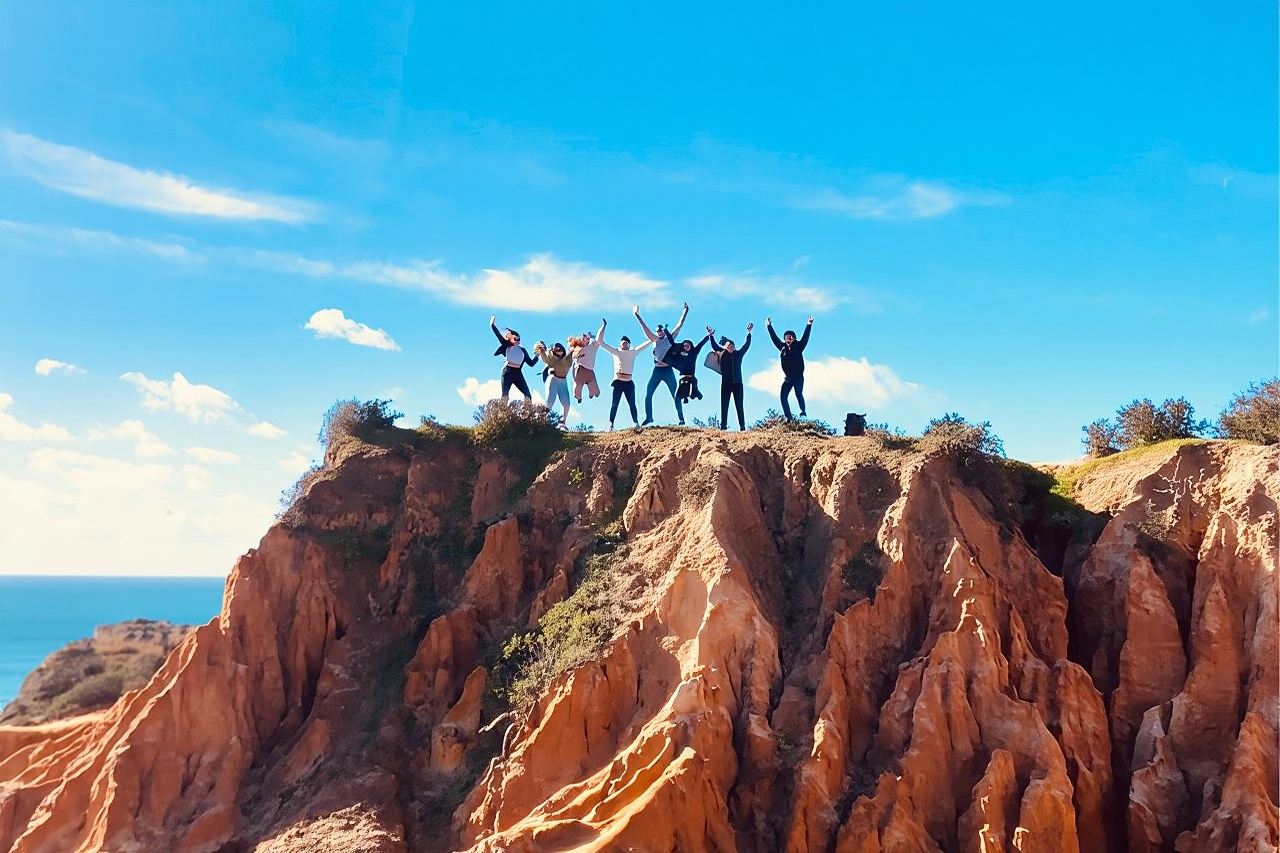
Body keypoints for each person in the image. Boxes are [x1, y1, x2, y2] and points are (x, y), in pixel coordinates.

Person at [634, 302, 690, 426]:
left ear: (664, 332)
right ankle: (649, 418)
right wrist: (637, 315)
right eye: (658, 331)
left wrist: (685, 311)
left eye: (661, 330)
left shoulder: (670, 337)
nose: (660, 332)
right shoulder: (653, 339)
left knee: (675, 394)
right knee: (648, 393)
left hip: (668, 370)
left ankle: (681, 419)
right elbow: (645, 328)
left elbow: (680, 324)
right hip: (657, 370)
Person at [599, 329, 652, 430]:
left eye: (626, 343)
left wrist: (653, 338)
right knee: (615, 404)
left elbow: (647, 343)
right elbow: (601, 342)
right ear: (620, 345)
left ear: (629, 345)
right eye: (623, 343)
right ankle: (611, 424)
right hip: (618, 382)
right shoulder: (615, 352)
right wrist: (604, 326)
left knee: (632, 404)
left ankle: (636, 423)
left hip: (629, 383)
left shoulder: (633, 352)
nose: (624, 344)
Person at [766, 316, 814, 419]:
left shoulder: (799, 346)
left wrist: (809, 324)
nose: (789, 338)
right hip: (788, 378)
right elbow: (774, 338)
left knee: (798, 393)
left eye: (791, 337)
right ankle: (789, 418)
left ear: (794, 338)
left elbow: (806, 337)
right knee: (783, 397)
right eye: (787, 337)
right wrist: (769, 326)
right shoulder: (782, 347)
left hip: (798, 377)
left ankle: (803, 412)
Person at [708, 324, 753, 430]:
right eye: (728, 346)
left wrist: (749, 333)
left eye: (732, 346)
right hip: (726, 383)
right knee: (724, 404)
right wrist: (711, 335)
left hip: (738, 384)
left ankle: (742, 426)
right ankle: (723, 426)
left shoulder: (739, 354)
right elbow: (714, 346)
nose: (730, 347)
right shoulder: (722, 353)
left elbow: (746, 345)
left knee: (739, 405)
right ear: (725, 347)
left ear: (734, 347)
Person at [660, 326, 713, 405]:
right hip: (683, 374)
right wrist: (666, 330)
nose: (686, 347)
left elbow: (701, 344)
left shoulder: (694, 352)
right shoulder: (680, 351)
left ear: (691, 346)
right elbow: (671, 341)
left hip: (691, 375)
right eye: (685, 346)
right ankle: (685, 398)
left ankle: (697, 393)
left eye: (688, 346)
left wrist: (709, 335)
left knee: (695, 382)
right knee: (681, 387)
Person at [490, 315, 538, 401]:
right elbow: (498, 334)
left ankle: (527, 413)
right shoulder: (506, 345)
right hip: (507, 372)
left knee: (528, 396)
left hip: (518, 373)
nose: (518, 340)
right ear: (509, 338)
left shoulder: (522, 350)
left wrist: (538, 355)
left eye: (518, 338)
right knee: (505, 395)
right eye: (515, 338)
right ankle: (502, 413)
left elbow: (531, 363)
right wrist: (492, 324)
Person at [534, 340, 573, 427]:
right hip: (553, 379)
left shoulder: (568, 358)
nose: (559, 350)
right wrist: (541, 349)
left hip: (563, 381)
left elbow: (575, 352)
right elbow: (544, 355)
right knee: (549, 402)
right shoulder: (551, 359)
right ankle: (540, 421)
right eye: (556, 349)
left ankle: (562, 423)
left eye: (560, 349)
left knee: (566, 404)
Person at [569, 319, 607, 404]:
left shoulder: (593, 347)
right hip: (580, 371)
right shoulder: (577, 349)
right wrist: (577, 355)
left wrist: (603, 326)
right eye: (583, 337)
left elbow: (599, 338)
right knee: (577, 390)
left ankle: (591, 394)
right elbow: (573, 354)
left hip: (589, 372)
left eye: (586, 337)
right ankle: (579, 397)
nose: (585, 338)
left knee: (596, 392)